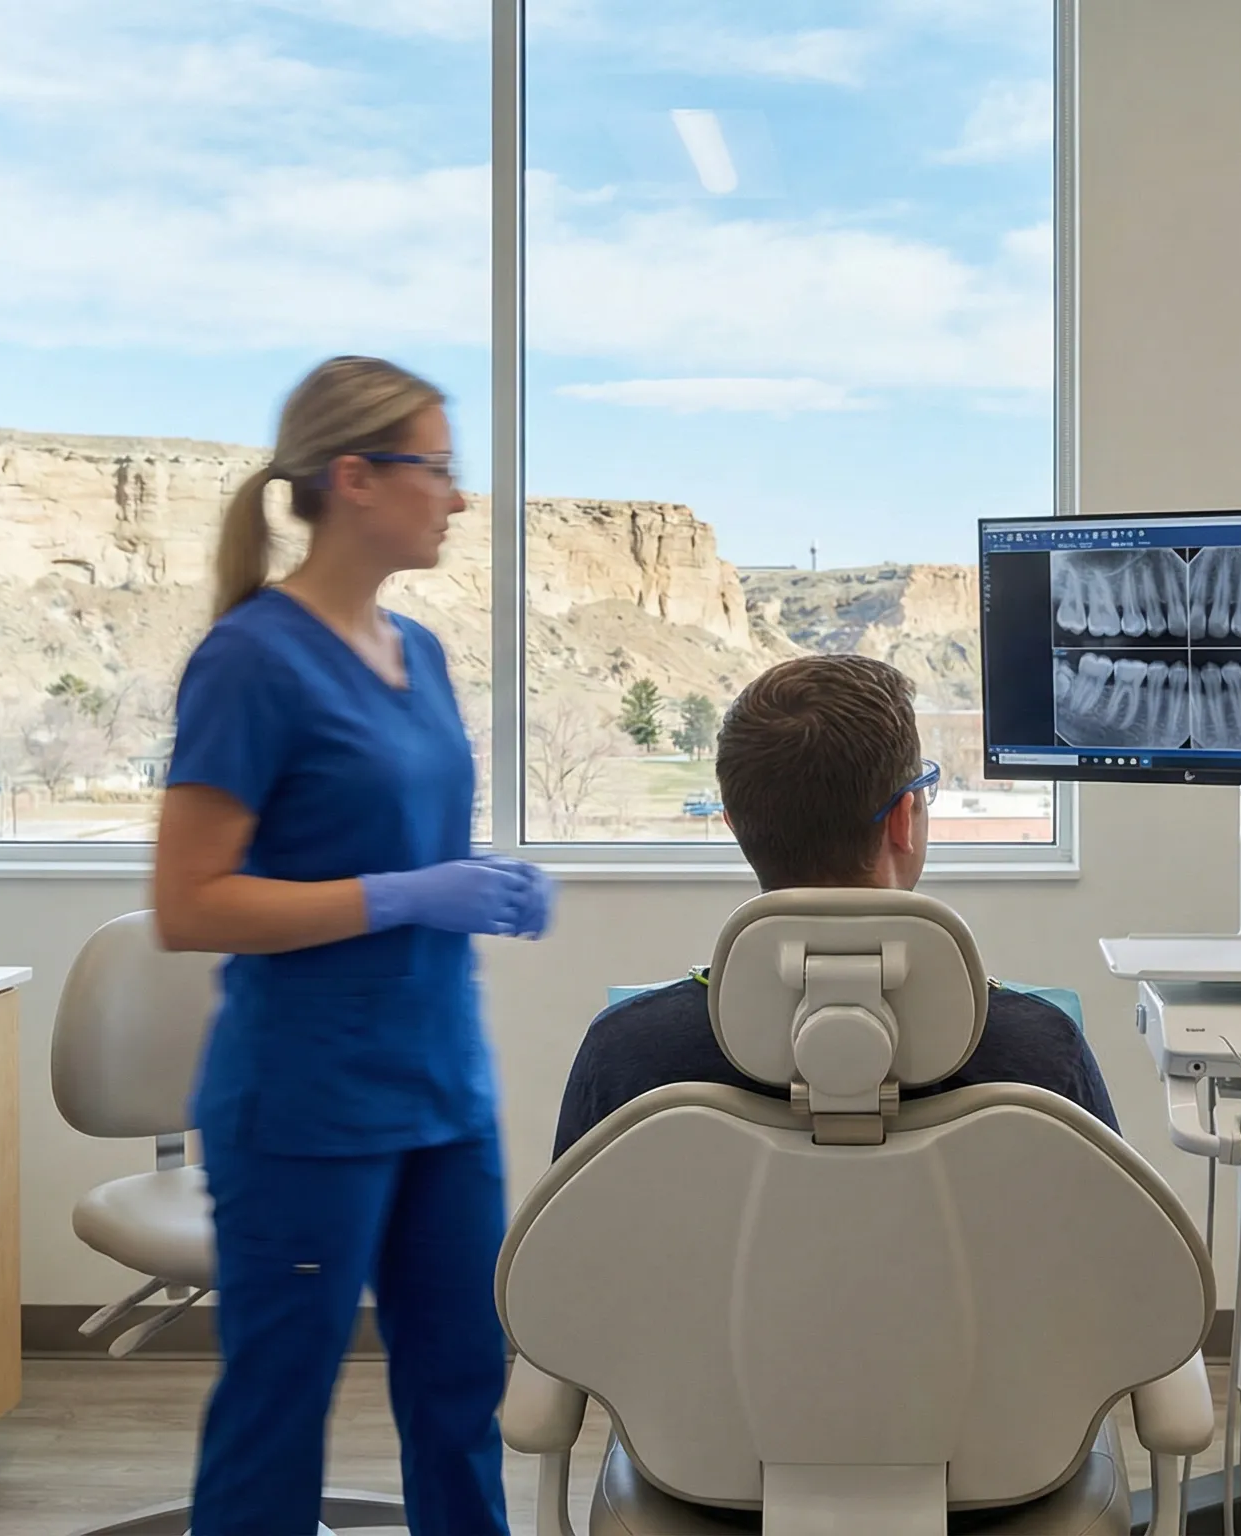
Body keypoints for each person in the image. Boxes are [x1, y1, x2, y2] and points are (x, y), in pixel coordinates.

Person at [153, 356, 550, 1536]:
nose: (459, 499)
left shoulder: (416, 652)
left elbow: (392, 836)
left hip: (443, 1087)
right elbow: (191, 904)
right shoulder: (250, 661)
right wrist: (402, 895)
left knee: (460, 1394)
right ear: (355, 479)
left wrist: (479, 890)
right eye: (440, 469)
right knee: (278, 1411)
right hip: (307, 1101)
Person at [553, 654, 1115, 1156]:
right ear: (903, 820)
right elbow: (1127, 1262)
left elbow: (561, 1264)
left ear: (735, 826)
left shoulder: (626, 1059)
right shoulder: (1041, 1057)